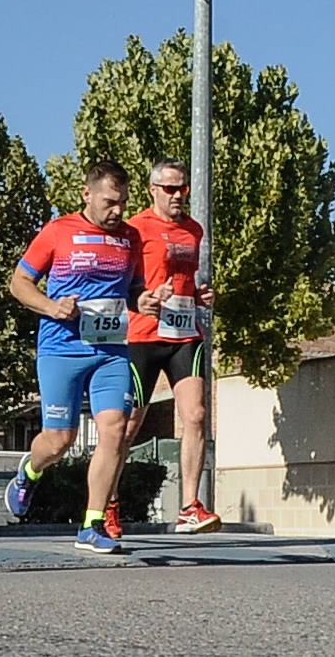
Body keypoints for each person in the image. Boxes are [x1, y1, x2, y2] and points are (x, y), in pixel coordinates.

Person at [5, 160, 163, 554]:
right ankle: (28, 472)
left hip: (110, 350)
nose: (118, 211)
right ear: (86, 194)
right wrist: (50, 306)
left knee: (115, 428)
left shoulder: (129, 238)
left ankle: (92, 524)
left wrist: (145, 301)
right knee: (60, 440)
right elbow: (19, 283)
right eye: (110, 202)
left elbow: (134, 291)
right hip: (62, 348)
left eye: (123, 203)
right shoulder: (58, 231)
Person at [105, 158, 220, 537]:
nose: (178, 195)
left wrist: (200, 295)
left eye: (183, 188)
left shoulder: (194, 230)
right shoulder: (135, 229)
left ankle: (190, 507)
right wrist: (144, 298)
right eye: (170, 188)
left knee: (197, 415)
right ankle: (108, 502)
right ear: (153, 189)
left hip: (185, 333)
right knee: (128, 424)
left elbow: (187, 278)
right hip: (142, 335)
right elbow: (122, 281)